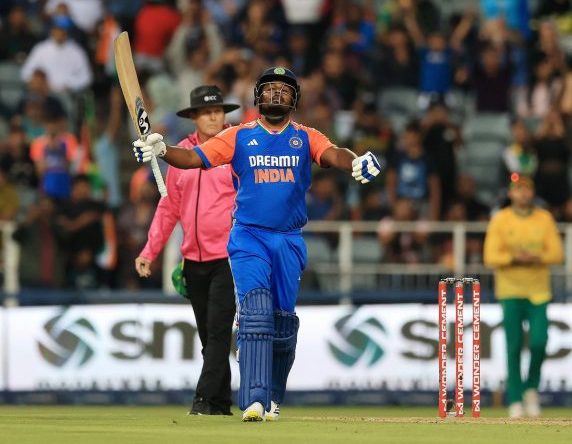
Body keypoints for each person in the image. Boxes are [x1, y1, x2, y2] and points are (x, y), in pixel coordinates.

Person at [132, 67, 382, 422]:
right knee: (255, 311)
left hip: (289, 240)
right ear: (257, 97)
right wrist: (162, 149)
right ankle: (253, 399)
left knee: (282, 322)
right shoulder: (238, 136)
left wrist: (355, 161)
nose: (277, 95)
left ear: (295, 99)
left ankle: (274, 397)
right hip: (248, 236)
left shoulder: (305, 136)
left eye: (284, 90)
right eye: (270, 89)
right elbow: (192, 159)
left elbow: (334, 153)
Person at [135, 85, 239, 416]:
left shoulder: (238, 151)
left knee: (220, 334)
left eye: (218, 111)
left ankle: (203, 399)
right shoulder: (179, 154)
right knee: (210, 338)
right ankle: (221, 404)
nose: (214, 116)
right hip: (193, 260)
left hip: (228, 257)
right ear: (194, 117)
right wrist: (149, 251)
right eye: (207, 111)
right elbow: (169, 209)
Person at [484, 174, 563, 418]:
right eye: (518, 189)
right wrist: (514, 258)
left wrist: (536, 257)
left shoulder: (544, 218)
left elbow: (557, 254)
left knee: (539, 342)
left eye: (527, 189)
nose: (523, 194)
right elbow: (490, 257)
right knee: (514, 345)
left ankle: (531, 389)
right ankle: (515, 399)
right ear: (511, 193)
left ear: (533, 192)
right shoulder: (501, 219)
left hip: (538, 291)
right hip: (510, 290)